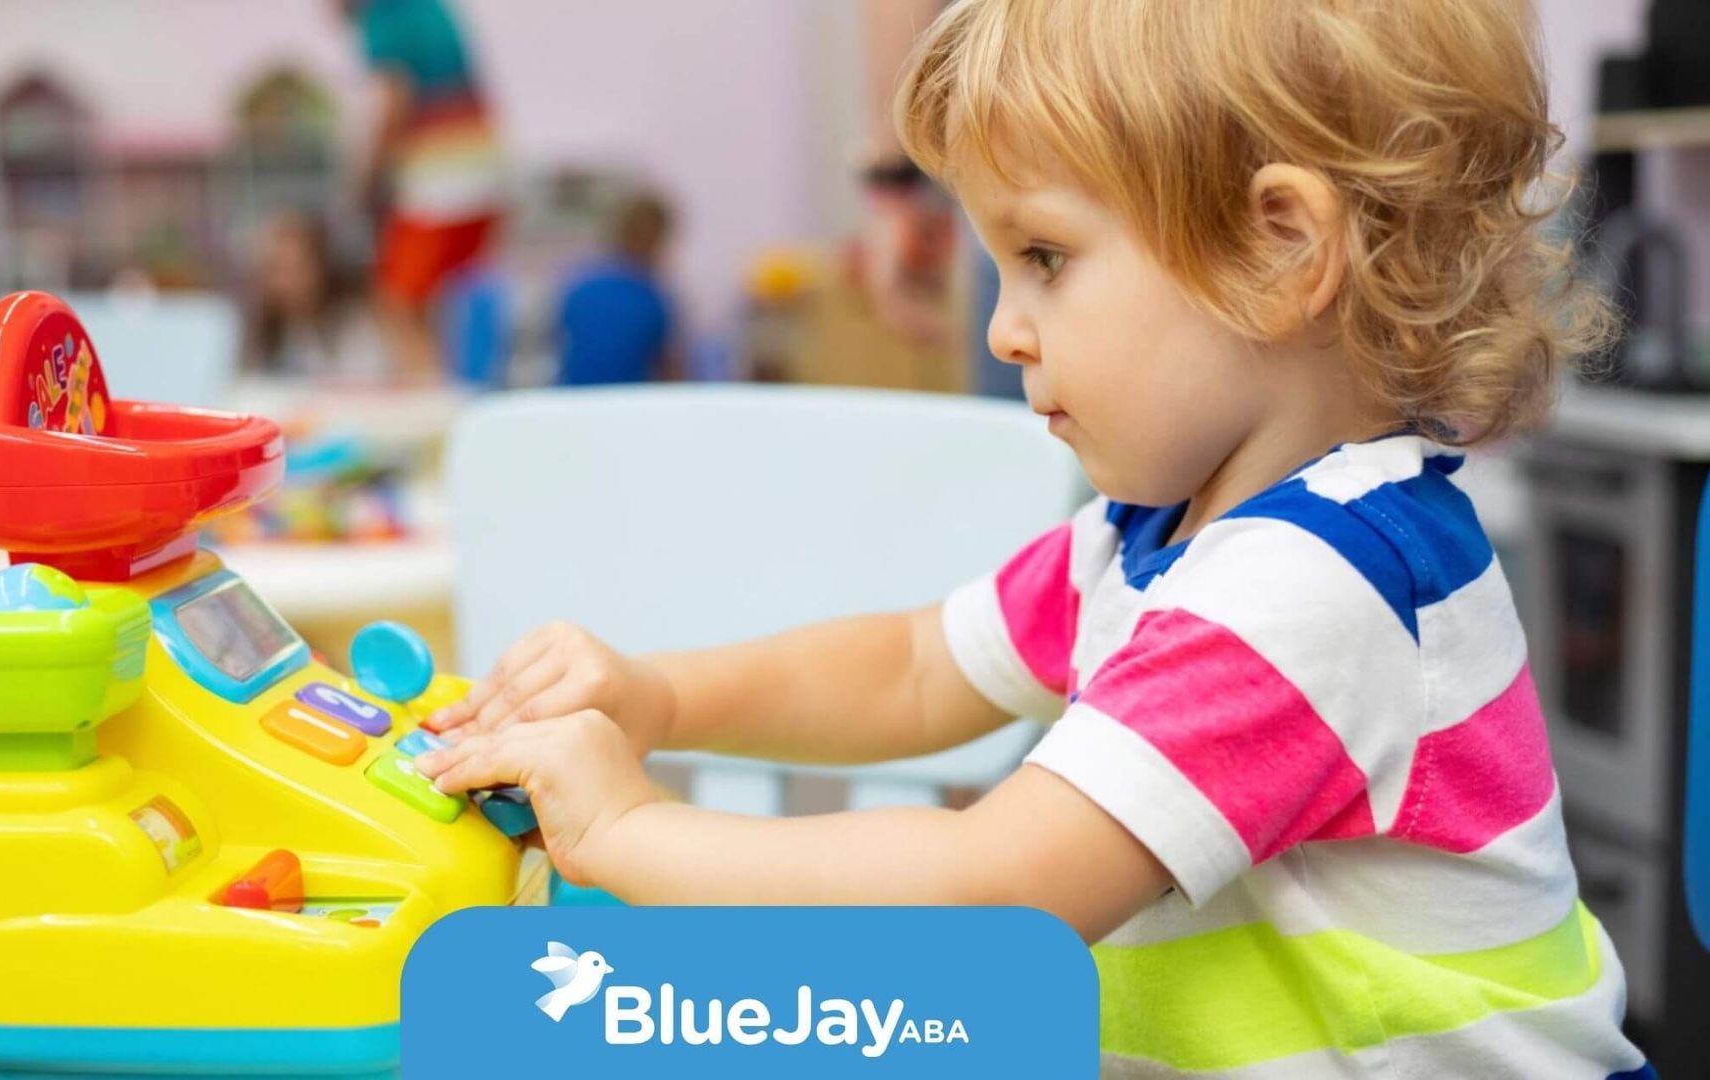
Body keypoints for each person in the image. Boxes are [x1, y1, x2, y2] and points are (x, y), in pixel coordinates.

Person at [411, 1, 1649, 1075]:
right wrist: (658, 697)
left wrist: (631, 833)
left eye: (1046, 257)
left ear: (1281, 250)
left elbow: (986, 899)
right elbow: (912, 668)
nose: (1005, 331)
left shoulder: (1315, 593)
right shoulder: (1158, 535)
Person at [348, 0, 506, 380]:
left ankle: (430, 403)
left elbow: (394, 101)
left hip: (440, 180)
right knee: (444, 306)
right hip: (484, 169)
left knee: (397, 301)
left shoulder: (382, 18)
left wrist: (366, 178)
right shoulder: (429, 8)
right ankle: (449, 392)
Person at [238, 212, 385, 380]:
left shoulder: (358, 321)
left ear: (320, 266)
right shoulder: (268, 330)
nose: (287, 281)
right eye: (274, 268)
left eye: (297, 267)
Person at [554, 193, 675, 386]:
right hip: (626, 401)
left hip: (573, 399)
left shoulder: (579, 285)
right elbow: (669, 367)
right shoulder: (649, 298)